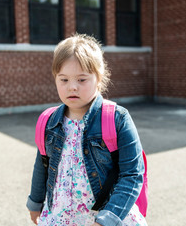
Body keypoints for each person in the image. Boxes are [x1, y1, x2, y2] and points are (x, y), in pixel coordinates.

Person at [26, 33, 147, 226]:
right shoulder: (48, 121)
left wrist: (107, 220)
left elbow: (132, 174)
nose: (72, 87)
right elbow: (42, 165)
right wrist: (35, 202)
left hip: (108, 217)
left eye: (82, 80)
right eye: (63, 80)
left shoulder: (117, 118)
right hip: (61, 217)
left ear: (98, 78)